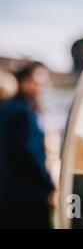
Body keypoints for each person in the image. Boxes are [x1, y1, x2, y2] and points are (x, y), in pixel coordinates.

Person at [0, 62, 54, 228]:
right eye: (39, 78)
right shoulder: (23, 113)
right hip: (27, 198)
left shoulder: (7, 108)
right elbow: (30, 153)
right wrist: (48, 182)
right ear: (25, 82)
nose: (44, 84)